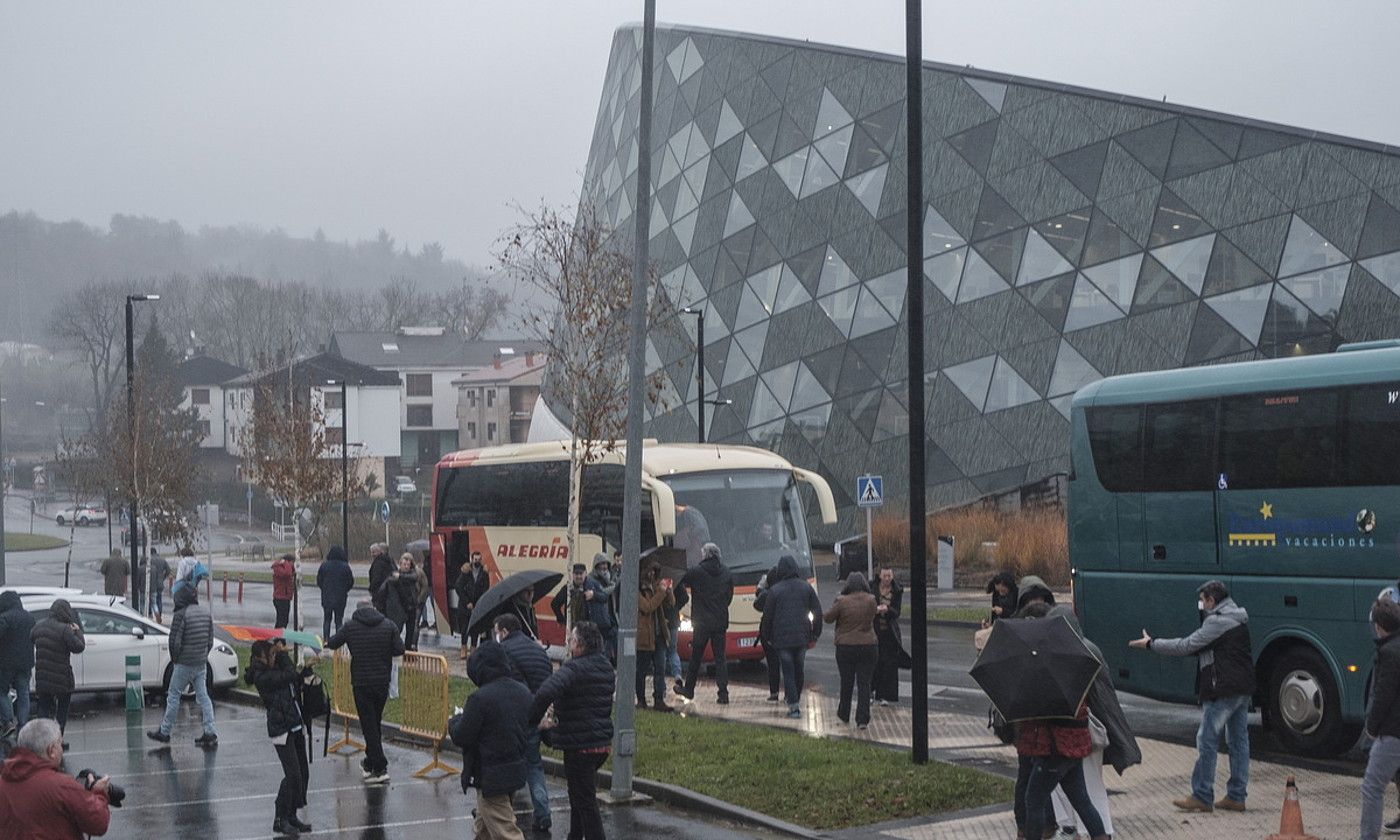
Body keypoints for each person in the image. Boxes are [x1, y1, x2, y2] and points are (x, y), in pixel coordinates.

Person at [1129, 579, 1254, 813]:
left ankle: (1202, 795)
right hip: (1242, 687)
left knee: (1206, 738)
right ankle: (1237, 795)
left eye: (1202, 600)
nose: (1200, 604)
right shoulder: (1236, 616)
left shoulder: (1218, 622)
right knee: (1238, 740)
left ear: (1212, 600)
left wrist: (1151, 644)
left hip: (1223, 688)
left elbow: (1186, 645)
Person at [1049, 604, 1141, 839]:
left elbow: (1091, 696)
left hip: (1086, 731)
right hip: (1083, 731)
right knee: (1078, 785)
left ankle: (1098, 832)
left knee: (1089, 785)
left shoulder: (1080, 651)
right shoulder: (1082, 647)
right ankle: (1081, 830)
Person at [529, 621, 614, 840]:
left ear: (580, 644)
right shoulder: (605, 666)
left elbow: (545, 691)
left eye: (571, 640)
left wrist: (533, 719)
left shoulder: (573, 668)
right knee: (578, 795)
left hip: (579, 747)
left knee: (585, 801)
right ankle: (574, 836)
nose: (568, 643)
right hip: (601, 744)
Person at [450, 640, 532, 840]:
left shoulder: (480, 699)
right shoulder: (523, 691)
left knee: (507, 833)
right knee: (484, 829)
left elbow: (462, 735)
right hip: (515, 768)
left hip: (490, 774)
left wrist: (454, 720)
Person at [325, 598, 404, 784]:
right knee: (374, 723)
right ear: (374, 608)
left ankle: (380, 767)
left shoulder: (350, 626)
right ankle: (369, 762)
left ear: (357, 610)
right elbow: (399, 649)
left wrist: (324, 642)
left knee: (369, 725)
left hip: (361, 682)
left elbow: (334, 643)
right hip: (382, 682)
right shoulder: (389, 625)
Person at [0, 718, 111, 838]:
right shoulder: (61, 785)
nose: (62, 749)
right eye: (60, 744)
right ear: (51, 750)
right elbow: (98, 822)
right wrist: (99, 792)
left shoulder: (3, 783)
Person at [246, 639, 313, 835]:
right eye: (272, 654)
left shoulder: (274, 670)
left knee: (303, 774)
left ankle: (291, 815)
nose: (275, 657)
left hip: (294, 723)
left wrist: (304, 671)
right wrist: (284, 654)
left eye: (276, 654)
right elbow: (288, 675)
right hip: (280, 728)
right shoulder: (261, 675)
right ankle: (280, 818)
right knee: (292, 775)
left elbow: (292, 679)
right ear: (261, 657)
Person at [494, 613, 554, 834]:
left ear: (505, 632)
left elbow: (511, 685)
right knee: (534, 765)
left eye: (497, 631)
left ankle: (500, 813)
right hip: (539, 714)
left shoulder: (505, 652)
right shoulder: (536, 648)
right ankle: (543, 813)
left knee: (507, 763)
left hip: (519, 716)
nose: (496, 635)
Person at [148, 585, 218, 746]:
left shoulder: (181, 615)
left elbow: (174, 641)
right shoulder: (206, 613)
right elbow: (210, 640)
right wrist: (203, 655)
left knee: (173, 695)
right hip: (200, 663)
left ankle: (165, 731)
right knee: (203, 696)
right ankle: (210, 731)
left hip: (184, 663)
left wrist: (175, 659)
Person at [755, 554, 821, 719]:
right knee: (799, 669)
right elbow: (817, 612)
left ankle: (793, 706)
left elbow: (768, 617)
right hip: (802, 637)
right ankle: (795, 698)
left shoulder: (774, 591)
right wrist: (815, 633)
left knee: (788, 671)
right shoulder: (806, 587)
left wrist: (767, 637)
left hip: (781, 640)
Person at [1361, 598, 1400, 840]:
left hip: (1393, 731)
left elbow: (1383, 695)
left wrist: (1371, 728)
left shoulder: (1388, 652)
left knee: (1372, 787)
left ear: (1378, 625)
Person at [676, 542, 734, 704]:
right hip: (720, 622)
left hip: (701, 623)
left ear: (705, 555)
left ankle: (689, 690)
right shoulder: (727, 573)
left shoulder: (696, 572)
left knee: (696, 657)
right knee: (720, 658)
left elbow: (681, 580)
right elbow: (728, 597)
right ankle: (723, 694)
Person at [824, 571, 878, 729]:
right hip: (869, 645)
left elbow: (828, 618)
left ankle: (844, 713)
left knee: (846, 682)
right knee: (864, 683)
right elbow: (872, 615)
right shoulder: (871, 600)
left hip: (846, 646)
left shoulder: (842, 601)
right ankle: (862, 719)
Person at [30, 598, 84, 744]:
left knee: (44, 706)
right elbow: (79, 647)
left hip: (42, 676)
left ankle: (42, 740)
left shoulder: (39, 627)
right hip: (61, 676)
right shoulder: (65, 629)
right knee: (62, 708)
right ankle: (57, 739)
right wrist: (77, 631)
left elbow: (31, 637)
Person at [635, 562, 675, 712]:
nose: (652, 574)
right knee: (642, 670)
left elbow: (671, 603)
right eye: (649, 571)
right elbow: (647, 607)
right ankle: (641, 700)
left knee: (660, 668)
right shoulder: (638, 589)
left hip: (659, 635)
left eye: (654, 572)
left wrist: (668, 591)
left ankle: (659, 699)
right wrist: (660, 593)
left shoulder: (658, 586)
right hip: (645, 636)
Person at [0, 589, 37, 738]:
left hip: (6, 663)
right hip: (26, 662)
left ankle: (8, 721)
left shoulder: (4, 618)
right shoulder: (29, 618)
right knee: (23, 693)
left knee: (2, 691)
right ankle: (23, 724)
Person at [754, 559, 790, 703]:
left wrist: (762, 587)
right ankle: (789, 694)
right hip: (785, 632)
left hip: (768, 634)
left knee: (772, 665)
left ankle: (774, 692)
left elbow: (757, 604)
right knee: (787, 665)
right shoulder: (787, 591)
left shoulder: (767, 594)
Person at [872, 566, 907, 705]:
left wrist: (888, 610)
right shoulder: (872, 587)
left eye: (889, 576)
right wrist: (875, 610)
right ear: (880, 576)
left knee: (889, 665)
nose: (887, 579)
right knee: (874, 663)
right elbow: (868, 606)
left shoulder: (897, 590)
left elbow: (897, 612)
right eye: (885, 576)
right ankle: (872, 692)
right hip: (874, 630)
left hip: (889, 632)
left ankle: (885, 695)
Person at [376, 552, 421, 649]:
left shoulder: (412, 575)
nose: (406, 566)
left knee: (411, 631)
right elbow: (383, 590)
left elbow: (414, 577)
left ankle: (408, 651)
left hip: (411, 607)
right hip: (400, 608)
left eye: (408, 565)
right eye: (404, 564)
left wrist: (400, 577)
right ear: (400, 564)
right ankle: (392, 648)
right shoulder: (393, 577)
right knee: (396, 630)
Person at [551, 563, 611, 633]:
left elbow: (605, 597)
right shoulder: (567, 588)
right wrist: (561, 619)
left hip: (590, 627)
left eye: (581, 573)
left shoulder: (593, 584)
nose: (579, 576)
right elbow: (554, 604)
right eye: (576, 574)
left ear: (585, 573)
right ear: (572, 574)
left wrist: (594, 595)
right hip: (574, 629)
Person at [455, 552, 490, 658]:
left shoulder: (484, 572)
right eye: (475, 559)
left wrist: (480, 602)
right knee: (465, 627)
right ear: (472, 559)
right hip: (465, 605)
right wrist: (467, 602)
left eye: (479, 559)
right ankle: (464, 648)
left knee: (475, 627)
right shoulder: (466, 571)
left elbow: (486, 587)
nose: (477, 561)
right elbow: (458, 587)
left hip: (477, 604)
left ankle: (474, 649)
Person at [316, 545, 354, 640]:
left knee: (327, 619)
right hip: (341, 597)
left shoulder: (324, 565)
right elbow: (350, 581)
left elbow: (319, 580)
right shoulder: (345, 566)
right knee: (339, 620)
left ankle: (326, 639)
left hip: (327, 596)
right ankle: (339, 639)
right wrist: (345, 590)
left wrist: (324, 589)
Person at [589, 554, 619, 659]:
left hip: (610, 617)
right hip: (599, 619)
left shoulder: (611, 578)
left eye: (606, 564)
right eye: (602, 564)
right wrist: (611, 588)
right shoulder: (591, 579)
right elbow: (601, 595)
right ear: (596, 565)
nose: (604, 567)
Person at [271, 552, 296, 630]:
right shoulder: (278, 568)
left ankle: (279, 638)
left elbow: (291, 574)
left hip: (286, 597)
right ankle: (278, 638)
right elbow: (287, 574)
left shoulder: (286, 568)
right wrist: (287, 564)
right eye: (292, 563)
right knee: (281, 621)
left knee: (284, 620)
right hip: (280, 598)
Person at [367, 543, 394, 614]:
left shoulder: (378, 563)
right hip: (386, 592)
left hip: (379, 593)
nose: (372, 554)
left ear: (379, 551)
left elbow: (376, 578)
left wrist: (371, 589)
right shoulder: (387, 561)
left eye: (374, 552)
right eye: (371, 552)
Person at [148, 548, 171, 624]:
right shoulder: (162, 560)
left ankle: (150, 614)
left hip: (151, 583)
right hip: (159, 583)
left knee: (149, 599)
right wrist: (163, 578)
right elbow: (168, 570)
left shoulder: (149, 560)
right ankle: (159, 615)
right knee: (159, 600)